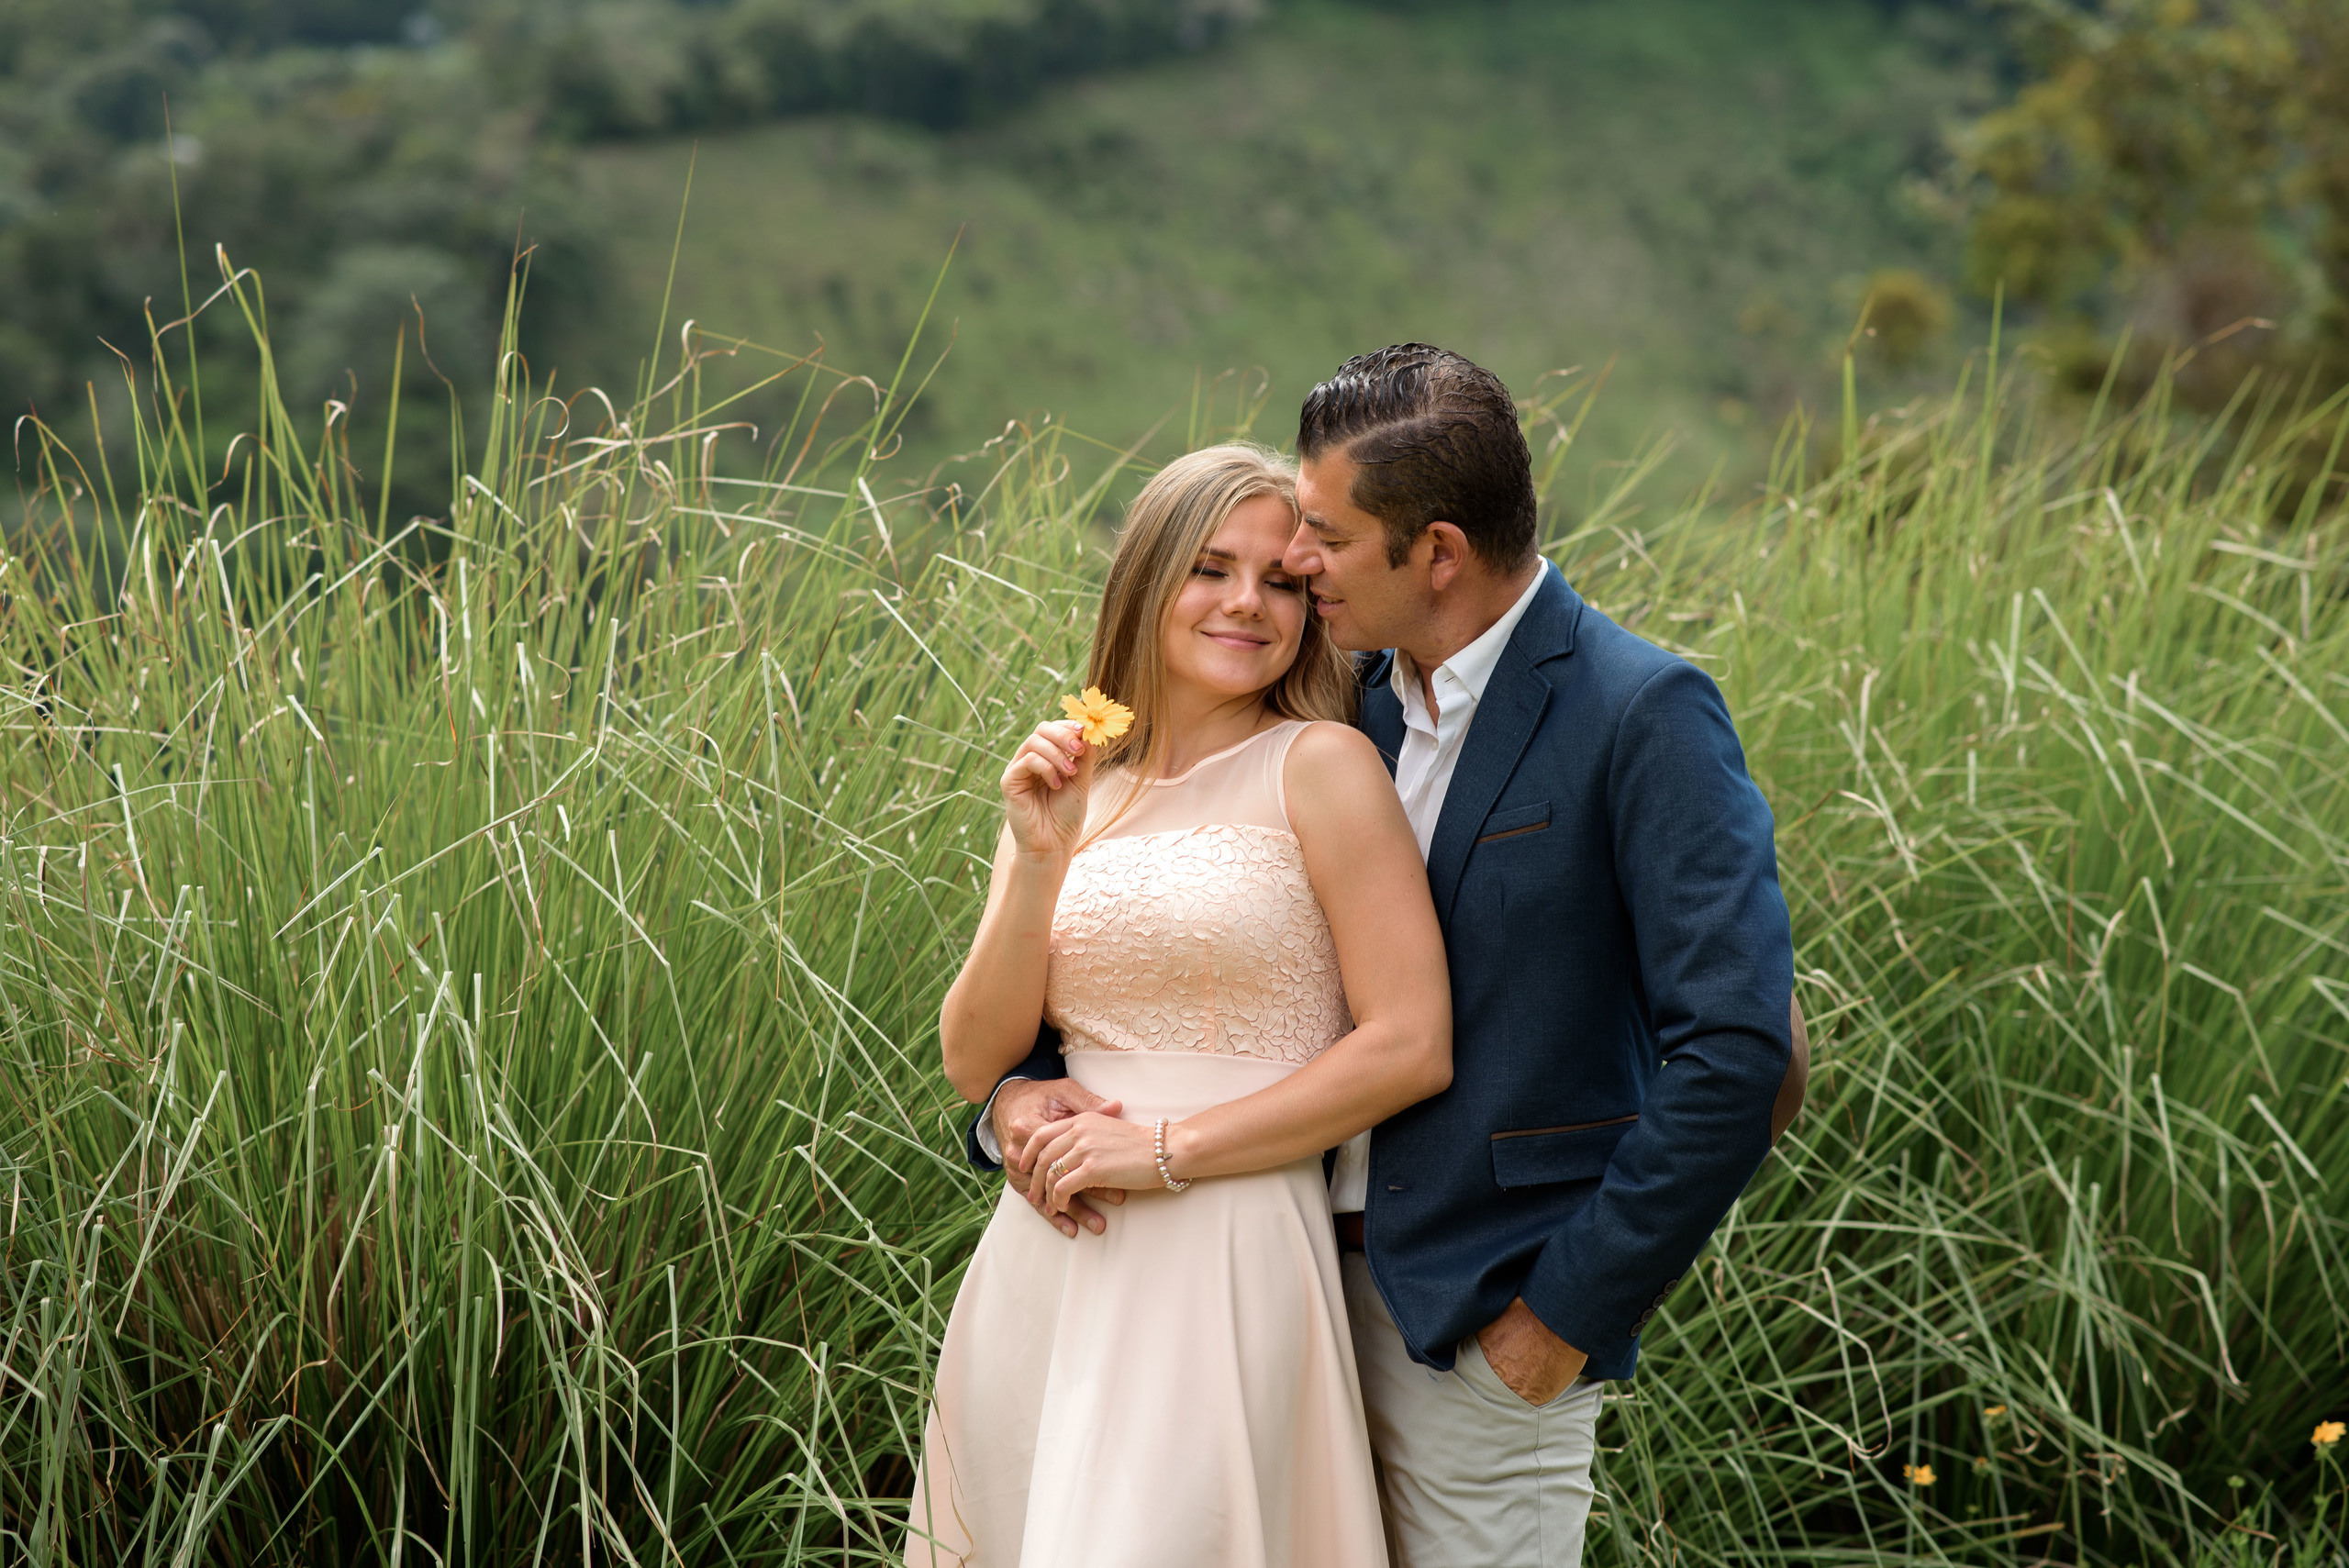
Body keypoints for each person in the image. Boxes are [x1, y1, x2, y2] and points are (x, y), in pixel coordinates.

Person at [978, 345, 1808, 1568]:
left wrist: (1557, 1322)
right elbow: (1168, 924)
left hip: (1476, 1327)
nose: (1296, 563)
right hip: (1259, 1287)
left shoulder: (1641, 711)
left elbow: (1743, 1051)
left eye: (1324, 534)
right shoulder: (1340, 693)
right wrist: (1018, 1093)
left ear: (1437, 554)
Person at [907, 443, 1453, 1567]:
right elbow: (976, 1059)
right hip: (1049, 1255)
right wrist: (1040, 853)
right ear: (1147, 580)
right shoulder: (1070, 778)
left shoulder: (1324, 765)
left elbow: (1410, 1044)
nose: (1247, 602)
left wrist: (1162, 1149)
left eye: (1285, 580)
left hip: (1227, 1242)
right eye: (1211, 568)